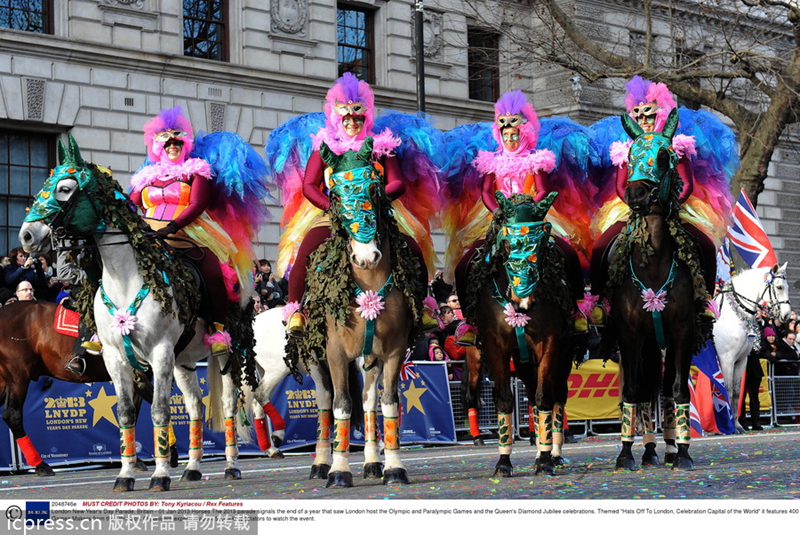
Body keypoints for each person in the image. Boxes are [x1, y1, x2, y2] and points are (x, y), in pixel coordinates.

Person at [281, 73, 434, 336]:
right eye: (346, 118)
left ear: (366, 117)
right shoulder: (324, 148)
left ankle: (422, 308)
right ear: (337, 118)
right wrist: (332, 207)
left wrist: (375, 200)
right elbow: (309, 185)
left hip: (376, 212)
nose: (352, 122)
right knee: (306, 250)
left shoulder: (382, 147)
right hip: (333, 213)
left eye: (358, 117)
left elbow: (397, 183)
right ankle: (297, 312)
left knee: (413, 247)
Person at [128, 106, 266, 359]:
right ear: (158, 148)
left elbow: (197, 205)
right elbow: (130, 203)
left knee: (212, 271)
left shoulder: (196, 171)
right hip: (149, 237)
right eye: (167, 144)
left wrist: (173, 227)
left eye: (177, 143)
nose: (172, 147)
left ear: (185, 145)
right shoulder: (145, 177)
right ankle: (105, 328)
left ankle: (217, 330)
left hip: (188, 232)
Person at [451, 90, 586, 345]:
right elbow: (485, 191)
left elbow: (544, 190)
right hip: (497, 219)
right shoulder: (492, 161)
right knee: (466, 264)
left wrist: (527, 210)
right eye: (506, 134)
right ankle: (469, 322)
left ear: (523, 134)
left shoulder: (536, 160)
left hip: (533, 218)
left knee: (567, 254)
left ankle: (577, 309)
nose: (510, 139)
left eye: (515, 134)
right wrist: (500, 212)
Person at [590, 77, 721, 319]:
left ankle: (706, 301)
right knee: (599, 247)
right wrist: (634, 204)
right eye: (639, 117)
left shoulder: (675, 144)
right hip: (632, 207)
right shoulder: (626, 147)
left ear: (659, 115)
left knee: (706, 245)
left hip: (672, 206)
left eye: (649, 116)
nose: (644, 121)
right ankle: (599, 303)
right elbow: (621, 184)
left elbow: (687, 183)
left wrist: (669, 203)